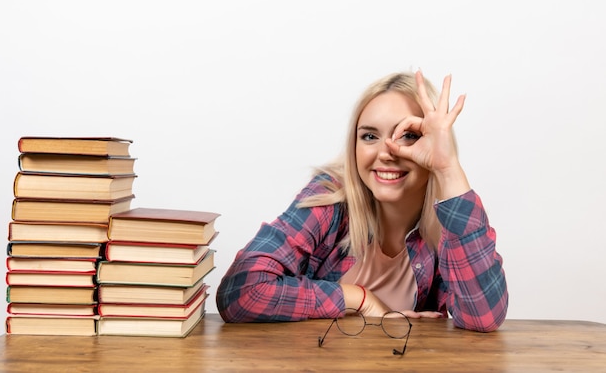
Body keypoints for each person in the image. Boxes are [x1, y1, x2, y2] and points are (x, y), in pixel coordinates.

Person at [216, 70, 508, 332]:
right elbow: (241, 291)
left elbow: (482, 318)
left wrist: (447, 168)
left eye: (408, 135)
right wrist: (362, 300)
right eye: (369, 136)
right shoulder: (330, 199)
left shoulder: (450, 225)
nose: (386, 152)